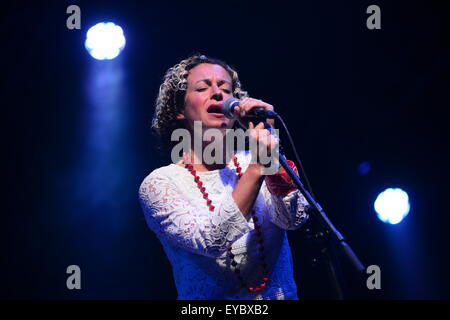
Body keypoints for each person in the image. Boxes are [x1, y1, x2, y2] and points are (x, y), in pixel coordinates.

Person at [139, 54, 309, 299]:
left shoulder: (255, 161)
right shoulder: (160, 184)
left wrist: (269, 148)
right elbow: (212, 241)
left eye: (226, 88)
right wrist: (259, 166)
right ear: (178, 109)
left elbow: (293, 218)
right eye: (202, 87)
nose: (218, 93)